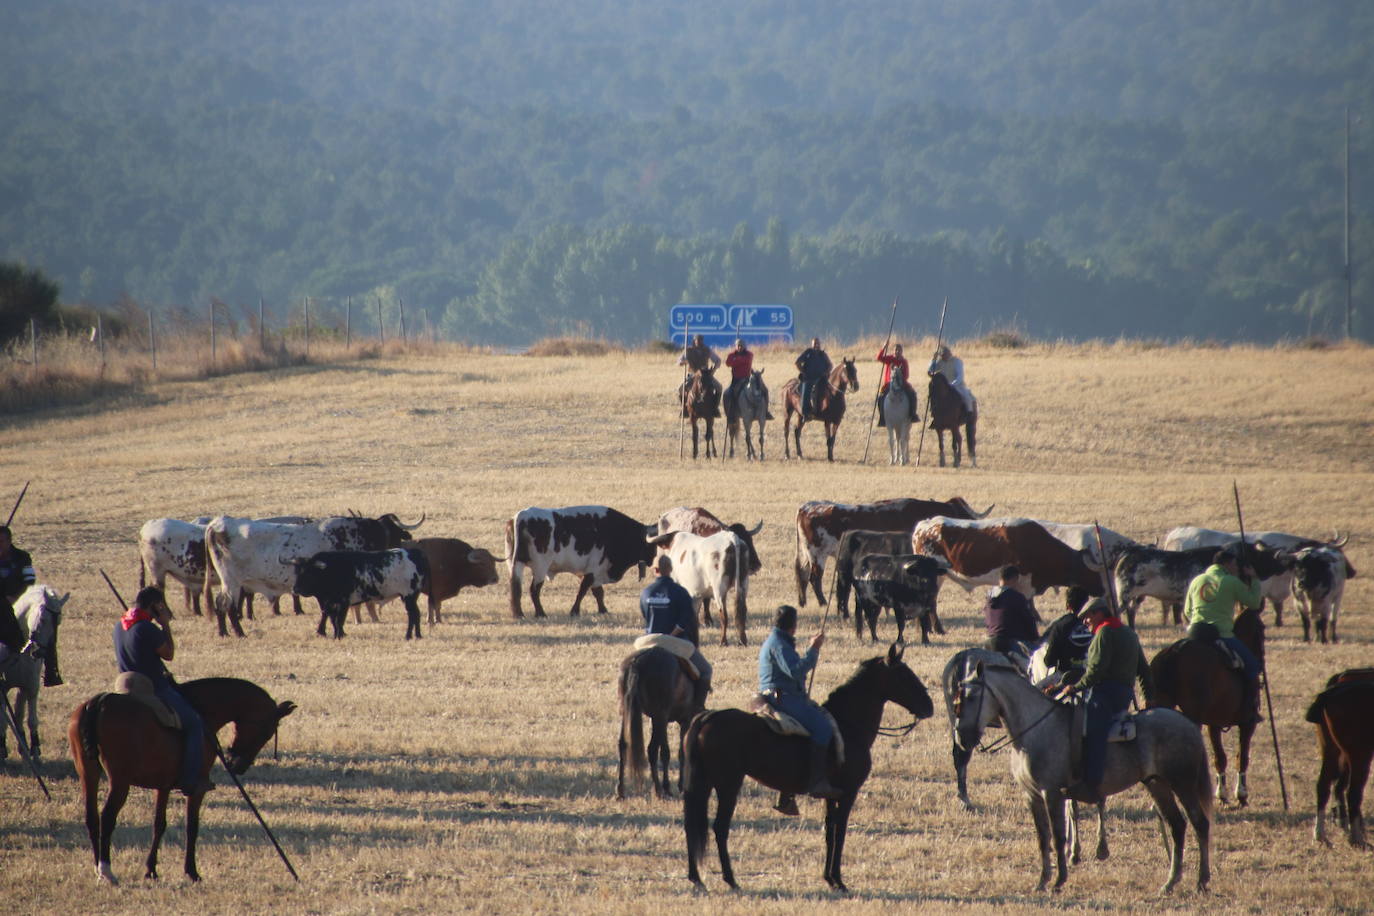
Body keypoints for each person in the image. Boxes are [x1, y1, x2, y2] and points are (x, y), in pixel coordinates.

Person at [113, 586, 213, 796]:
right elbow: (168, 654)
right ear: (156, 606)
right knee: (194, 723)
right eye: (161, 606)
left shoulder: (119, 626)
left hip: (122, 685)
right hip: (151, 688)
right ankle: (190, 779)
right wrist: (165, 625)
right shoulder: (147, 628)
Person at [1063, 598, 1153, 804]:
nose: (1085, 622)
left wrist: (1075, 687)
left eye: (1087, 617)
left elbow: (1096, 671)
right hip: (1123, 694)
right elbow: (1143, 670)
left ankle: (1091, 784)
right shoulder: (1129, 633)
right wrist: (1149, 696)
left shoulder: (1104, 633)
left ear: (1098, 614)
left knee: (1093, 732)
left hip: (1104, 694)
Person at [759, 604, 840, 808]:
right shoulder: (779, 644)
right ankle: (817, 782)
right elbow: (796, 671)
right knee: (822, 728)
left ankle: (789, 788)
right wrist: (813, 649)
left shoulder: (777, 641)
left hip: (785, 695)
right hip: (783, 698)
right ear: (793, 626)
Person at [1182, 547, 1263, 724]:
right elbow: (1254, 602)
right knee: (1252, 666)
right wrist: (1255, 580)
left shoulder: (1197, 580)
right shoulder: (1230, 581)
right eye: (1234, 564)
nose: (1236, 568)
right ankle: (1249, 708)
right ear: (1226, 564)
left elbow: (1187, 611)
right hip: (1221, 634)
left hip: (1194, 632)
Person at [639, 555, 712, 709]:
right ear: (671, 569)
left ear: (655, 570)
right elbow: (685, 621)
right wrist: (670, 636)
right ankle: (698, 708)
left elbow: (646, 616)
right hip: (674, 642)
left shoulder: (646, 592)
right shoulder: (680, 592)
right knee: (706, 670)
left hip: (649, 641)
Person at [982, 565, 1039, 659]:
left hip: (989, 640)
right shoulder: (1016, 597)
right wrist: (1035, 639)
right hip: (1009, 642)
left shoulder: (988, 598)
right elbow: (1029, 621)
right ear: (1014, 579)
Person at [723, 338, 772, 420]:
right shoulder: (731, 355)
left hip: (748, 379)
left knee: (765, 390)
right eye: (738, 346)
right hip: (736, 380)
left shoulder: (749, 354)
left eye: (741, 346)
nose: (739, 347)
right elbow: (728, 363)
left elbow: (744, 361)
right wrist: (735, 360)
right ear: (735, 346)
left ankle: (766, 412)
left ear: (745, 346)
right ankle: (730, 414)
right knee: (727, 394)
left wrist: (735, 360)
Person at [874, 342, 918, 426]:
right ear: (893, 351)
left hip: (902, 384)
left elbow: (906, 375)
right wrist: (884, 348)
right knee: (880, 398)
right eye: (896, 350)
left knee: (912, 394)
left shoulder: (904, 361)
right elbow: (879, 357)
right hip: (889, 384)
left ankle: (913, 414)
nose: (897, 351)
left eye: (899, 350)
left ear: (902, 351)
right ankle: (882, 417)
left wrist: (900, 379)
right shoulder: (890, 359)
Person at [678, 334, 722, 413]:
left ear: (702, 341)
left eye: (700, 340)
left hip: (705, 375)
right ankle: (684, 409)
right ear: (694, 341)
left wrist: (714, 370)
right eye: (697, 340)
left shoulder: (707, 350)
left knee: (719, 387)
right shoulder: (688, 350)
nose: (698, 342)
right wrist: (684, 362)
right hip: (692, 374)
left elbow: (718, 360)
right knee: (680, 389)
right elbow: (679, 361)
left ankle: (715, 408)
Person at [927, 344, 976, 415]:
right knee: (934, 397)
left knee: (967, 397)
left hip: (957, 386)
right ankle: (934, 414)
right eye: (942, 355)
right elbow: (931, 370)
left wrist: (952, 384)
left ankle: (969, 414)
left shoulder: (957, 361)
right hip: (943, 386)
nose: (944, 356)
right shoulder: (940, 362)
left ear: (949, 353)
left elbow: (960, 376)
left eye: (945, 354)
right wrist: (934, 359)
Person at [794, 337, 832, 419]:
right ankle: (805, 413)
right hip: (809, 378)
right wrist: (803, 372)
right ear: (812, 344)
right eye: (815, 344)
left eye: (818, 344)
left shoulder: (823, 354)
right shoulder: (808, 353)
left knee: (831, 390)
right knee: (806, 393)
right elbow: (797, 363)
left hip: (821, 378)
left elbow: (830, 365)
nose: (817, 345)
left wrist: (826, 372)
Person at [0, 525, 36, 604]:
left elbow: (30, 582)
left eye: (1, 541)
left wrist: (16, 597)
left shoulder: (22, 557)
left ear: (9, 541)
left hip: (18, 603)